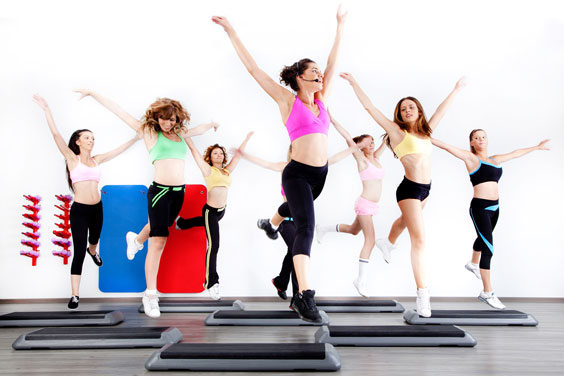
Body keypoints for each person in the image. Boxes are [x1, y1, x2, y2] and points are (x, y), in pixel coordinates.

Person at [212, 6, 347, 322]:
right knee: (306, 227)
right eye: (312, 71)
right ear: (300, 78)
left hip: (320, 175)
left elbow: (334, 62)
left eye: (319, 71)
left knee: (296, 213)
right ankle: (304, 296)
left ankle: (270, 223)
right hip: (297, 173)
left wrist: (339, 26)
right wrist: (231, 30)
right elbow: (254, 70)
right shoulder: (289, 101)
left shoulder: (322, 101)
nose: (320, 74)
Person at [74, 89, 218, 317]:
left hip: (178, 192)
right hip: (160, 192)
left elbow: (196, 130)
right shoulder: (150, 133)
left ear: (177, 118)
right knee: (159, 241)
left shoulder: (181, 134)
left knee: (158, 226)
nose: (167, 123)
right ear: (156, 117)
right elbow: (119, 110)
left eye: (171, 119)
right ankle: (151, 294)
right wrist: (93, 93)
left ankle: (136, 238)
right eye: (163, 118)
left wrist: (211, 124)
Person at [340, 72, 466, 317]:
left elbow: (441, 109)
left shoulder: (426, 132)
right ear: (399, 114)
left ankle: (387, 242)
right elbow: (369, 107)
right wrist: (355, 82)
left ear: (419, 111)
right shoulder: (397, 133)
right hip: (409, 189)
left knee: (405, 222)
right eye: (403, 108)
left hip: (426, 189)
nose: (408, 110)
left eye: (412, 107)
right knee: (420, 239)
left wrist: (456, 90)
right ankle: (423, 295)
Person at [34, 94, 139, 309]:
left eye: (93, 138)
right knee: (79, 249)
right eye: (87, 137)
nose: (91, 140)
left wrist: (136, 139)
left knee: (95, 239)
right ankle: (75, 295)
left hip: (97, 208)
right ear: (77, 141)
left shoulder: (96, 159)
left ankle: (94, 250)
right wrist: (47, 110)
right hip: (80, 210)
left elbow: (118, 151)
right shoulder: (71, 159)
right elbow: (55, 134)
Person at [432, 130, 550, 309]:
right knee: (488, 248)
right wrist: (426, 137)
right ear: (471, 142)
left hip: (495, 208)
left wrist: (537, 147)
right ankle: (487, 292)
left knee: (483, 238)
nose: (481, 140)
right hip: (479, 207)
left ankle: (473, 263)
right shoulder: (471, 159)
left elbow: (515, 153)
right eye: (476, 138)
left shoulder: (495, 160)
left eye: (483, 137)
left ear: (487, 140)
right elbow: (448, 147)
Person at [242, 139, 370, 300]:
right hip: (286, 220)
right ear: (291, 152)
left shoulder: (313, 167)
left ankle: (281, 281)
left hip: (301, 219)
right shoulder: (285, 167)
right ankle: (299, 296)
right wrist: (244, 155)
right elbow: (266, 164)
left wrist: (354, 148)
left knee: (295, 250)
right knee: (298, 252)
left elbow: (335, 158)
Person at [175, 132, 254, 300]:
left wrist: (246, 139)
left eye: (221, 153)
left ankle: (182, 223)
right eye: (215, 153)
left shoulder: (226, 171)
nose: (219, 155)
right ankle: (211, 282)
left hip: (221, 211)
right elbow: (194, 151)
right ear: (210, 157)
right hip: (210, 211)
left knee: (203, 224)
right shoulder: (207, 169)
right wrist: (185, 135)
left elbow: (238, 157)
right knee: (213, 245)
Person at [316, 113, 387, 297]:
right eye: (367, 143)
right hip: (364, 204)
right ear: (361, 146)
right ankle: (360, 281)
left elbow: (387, 139)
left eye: (372, 142)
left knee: (354, 230)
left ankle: (323, 228)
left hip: (372, 206)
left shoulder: (376, 158)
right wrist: (332, 119)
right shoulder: (361, 159)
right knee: (370, 240)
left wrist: (393, 131)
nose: (371, 145)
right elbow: (348, 137)